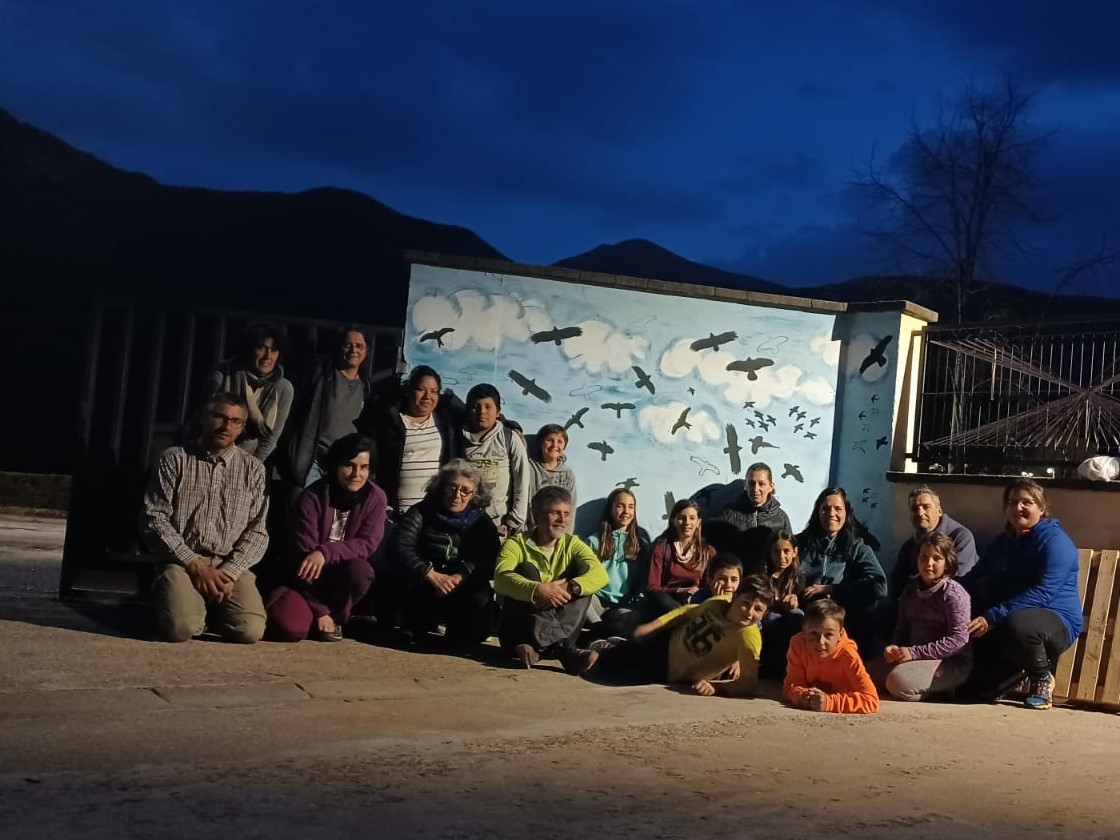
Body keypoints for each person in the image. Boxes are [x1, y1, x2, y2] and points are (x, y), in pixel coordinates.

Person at [141, 392, 268, 643]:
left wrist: (230, 572)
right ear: (204, 417)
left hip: (228, 563)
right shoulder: (175, 459)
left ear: (242, 427)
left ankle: (211, 608)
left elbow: (257, 531)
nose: (226, 426)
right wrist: (194, 565)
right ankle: (182, 604)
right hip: (182, 561)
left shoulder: (253, 469)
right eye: (219, 417)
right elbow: (154, 518)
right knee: (181, 629)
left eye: (235, 421)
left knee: (250, 631)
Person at [959, 479, 1083, 710]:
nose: (1018, 508)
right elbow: (974, 576)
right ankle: (1011, 674)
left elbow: (1043, 592)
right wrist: (942, 590)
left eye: (1027, 502)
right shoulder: (1002, 543)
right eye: (1012, 502)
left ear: (1041, 508)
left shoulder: (1056, 542)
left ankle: (1041, 678)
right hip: (1008, 618)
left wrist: (992, 616)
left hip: (1054, 621)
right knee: (973, 692)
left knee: (1019, 623)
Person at [263, 434, 385, 642]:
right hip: (304, 580)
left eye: (364, 467)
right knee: (290, 628)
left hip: (341, 578)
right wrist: (320, 611)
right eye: (349, 465)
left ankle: (336, 618)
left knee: (360, 570)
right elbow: (302, 556)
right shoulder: (312, 497)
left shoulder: (376, 498)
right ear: (336, 465)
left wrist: (325, 552)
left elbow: (367, 543)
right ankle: (317, 616)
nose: (356, 474)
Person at [587, 576, 775, 697]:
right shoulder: (719, 602)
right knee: (603, 660)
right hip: (666, 642)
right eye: (745, 603)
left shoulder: (748, 637)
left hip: (672, 671)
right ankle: (600, 644)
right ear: (734, 597)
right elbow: (686, 612)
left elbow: (749, 682)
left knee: (626, 675)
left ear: (765, 614)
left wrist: (717, 688)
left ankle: (611, 646)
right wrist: (653, 627)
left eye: (758, 609)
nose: (749, 612)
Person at [494, 486, 607, 673]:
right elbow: (500, 579)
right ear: (537, 515)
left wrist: (571, 587)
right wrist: (538, 590)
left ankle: (541, 649)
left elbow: (600, 574)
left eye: (566, 514)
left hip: (560, 631)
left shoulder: (572, 544)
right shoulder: (516, 544)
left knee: (583, 581)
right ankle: (562, 650)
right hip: (519, 632)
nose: (562, 520)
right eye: (556, 513)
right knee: (526, 571)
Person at [389, 459, 502, 644]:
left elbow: (491, 559)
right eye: (452, 487)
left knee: (478, 606)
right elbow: (400, 547)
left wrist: (460, 575)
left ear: (474, 494)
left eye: (465, 490)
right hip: (426, 583)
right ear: (442, 486)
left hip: (462, 585)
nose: (457, 495)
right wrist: (429, 574)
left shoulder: (481, 521)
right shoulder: (421, 512)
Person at [879, 532, 972, 701]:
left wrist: (915, 653)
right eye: (923, 557)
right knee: (863, 675)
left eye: (936, 558)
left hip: (949, 662)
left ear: (947, 563)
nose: (928, 563)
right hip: (913, 658)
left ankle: (943, 691)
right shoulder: (910, 592)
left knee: (897, 682)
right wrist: (894, 647)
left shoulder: (953, 594)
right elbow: (902, 629)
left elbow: (959, 639)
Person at [357, 365, 458, 520]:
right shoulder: (390, 422)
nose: (427, 396)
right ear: (409, 391)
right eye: (421, 389)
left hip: (432, 512)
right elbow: (372, 465)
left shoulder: (445, 423)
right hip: (395, 511)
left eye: (434, 391)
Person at [797, 487, 887, 654]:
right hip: (805, 609)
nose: (831, 514)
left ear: (846, 513)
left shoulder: (857, 548)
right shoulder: (800, 544)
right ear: (817, 512)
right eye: (825, 509)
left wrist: (831, 589)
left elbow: (880, 587)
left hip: (841, 611)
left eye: (838, 509)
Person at [280, 325, 370, 490]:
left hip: (342, 465)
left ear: (366, 351)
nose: (353, 350)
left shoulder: (365, 386)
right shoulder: (321, 374)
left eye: (359, 346)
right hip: (312, 460)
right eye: (348, 345)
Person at [203, 322, 294, 464]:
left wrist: (250, 467)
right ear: (248, 349)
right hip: (210, 453)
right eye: (261, 348)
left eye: (274, 350)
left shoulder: (283, 388)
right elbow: (206, 422)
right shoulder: (223, 375)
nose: (268, 356)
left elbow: (271, 438)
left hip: (250, 460)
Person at [783, 599, 879, 714]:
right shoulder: (798, 644)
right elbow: (792, 685)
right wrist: (802, 696)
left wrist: (829, 702)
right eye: (813, 633)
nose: (820, 642)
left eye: (828, 634)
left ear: (840, 634)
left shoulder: (848, 656)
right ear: (804, 631)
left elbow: (871, 700)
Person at [460, 383, 530, 537]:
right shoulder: (458, 439)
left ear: (498, 412)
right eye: (476, 407)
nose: (482, 412)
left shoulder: (510, 438)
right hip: (465, 522)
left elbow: (522, 481)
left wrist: (513, 521)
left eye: (488, 407)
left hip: (500, 523)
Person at [890, 487, 978, 598]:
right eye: (915, 509)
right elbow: (897, 580)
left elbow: (960, 579)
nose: (920, 513)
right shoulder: (909, 546)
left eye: (926, 507)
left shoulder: (960, 537)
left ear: (939, 511)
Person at [705, 463, 791, 575]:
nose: (755, 489)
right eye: (751, 483)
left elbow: (789, 552)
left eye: (761, 484)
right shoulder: (729, 513)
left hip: (767, 580)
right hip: (736, 579)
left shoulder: (781, 518)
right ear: (745, 485)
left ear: (771, 486)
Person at [586, 488, 649, 633]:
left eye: (631, 507)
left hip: (622, 606)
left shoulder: (641, 545)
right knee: (579, 599)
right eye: (620, 506)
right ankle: (599, 628)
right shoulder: (594, 541)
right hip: (596, 602)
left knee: (635, 618)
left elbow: (642, 582)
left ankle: (606, 634)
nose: (626, 511)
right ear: (610, 509)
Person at [647, 499, 715, 614]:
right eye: (681, 518)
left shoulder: (707, 552)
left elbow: (710, 585)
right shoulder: (662, 549)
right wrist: (678, 591)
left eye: (692, 518)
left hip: (695, 604)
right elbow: (653, 586)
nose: (687, 522)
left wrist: (696, 595)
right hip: (666, 605)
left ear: (698, 522)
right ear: (673, 521)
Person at [758, 529, 805, 679]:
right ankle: (771, 665)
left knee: (797, 615)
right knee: (772, 619)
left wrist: (793, 600)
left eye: (786, 551)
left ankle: (792, 664)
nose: (781, 557)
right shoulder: (761, 575)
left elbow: (800, 598)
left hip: (788, 616)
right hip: (767, 615)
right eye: (776, 552)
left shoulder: (798, 576)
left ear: (794, 552)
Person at [527, 424, 578, 528]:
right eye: (549, 440)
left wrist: (566, 534)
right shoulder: (529, 468)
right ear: (541, 443)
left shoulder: (567, 474)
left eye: (559, 442)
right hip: (530, 527)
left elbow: (571, 507)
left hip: (556, 530)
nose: (555, 445)